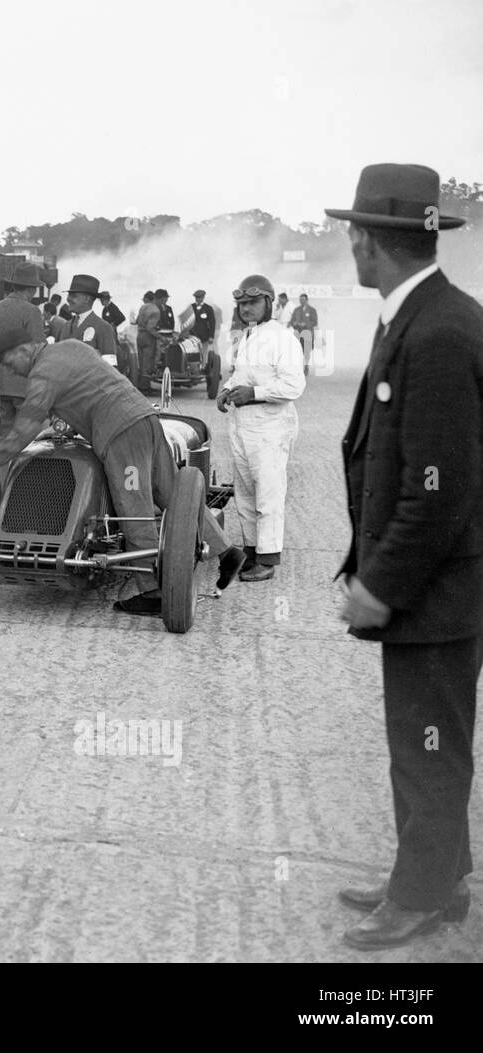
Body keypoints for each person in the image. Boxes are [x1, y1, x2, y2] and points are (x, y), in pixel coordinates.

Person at [324, 163, 483, 950]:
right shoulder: (414, 316)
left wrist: (380, 585)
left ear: (369, 240)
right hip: (433, 587)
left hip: (437, 592)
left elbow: (440, 491)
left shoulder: (442, 330)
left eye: (352, 229)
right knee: (423, 741)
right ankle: (436, 876)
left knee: (427, 749)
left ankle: (421, 894)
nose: (347, 241)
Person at [0, 339, 244, 612]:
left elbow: (24, 429)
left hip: (121, 435)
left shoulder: (43, 376)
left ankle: (153, 591)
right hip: (145, 419)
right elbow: (91, 388)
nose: (10, 370)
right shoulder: (71, 346)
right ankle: (227, 551)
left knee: (133, 508)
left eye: (9, 362)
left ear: (23, 348)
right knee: (172, 493)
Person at [214, 274, 306, 581]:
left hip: (270, 427)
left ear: (269, 301)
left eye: (253, 303)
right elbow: (241, 375)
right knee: (245, 493)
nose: (246, 309)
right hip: (242, 426)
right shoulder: (247, 337)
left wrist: (254, 394)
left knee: (268, 493)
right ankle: (251, 551)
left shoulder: (283, 338)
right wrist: (226, 389)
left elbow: (293, 385)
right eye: (241, 304)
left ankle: (267, 559)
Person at [0, 261, 44, 444]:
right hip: (23, 385)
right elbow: (38, 351)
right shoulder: (32, 311)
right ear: (32, 289)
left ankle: (3, 472)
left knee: (2, 438)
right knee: (28, 440)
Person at [64, 273, 121, 360]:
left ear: (87, 299)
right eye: (69, 295)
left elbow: (109, 367)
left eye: (73, 296)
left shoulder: (104, 328)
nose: (68, 299)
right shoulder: (65, 327)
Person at [134, 290, 161, 393]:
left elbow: (136, 321)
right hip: (148, 337)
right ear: (154, 299)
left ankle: (142, 385)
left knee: (141, 361)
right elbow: (150, 328)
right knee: (148, 362)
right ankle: (145, 387)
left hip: (139, 335)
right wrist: (160, 337)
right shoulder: (155, 310)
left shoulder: (142, 307)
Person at [288, 293, 319, 375]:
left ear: (307, 300)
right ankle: (298, 368)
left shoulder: (312, 310)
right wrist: (294, 323)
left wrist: (305, 324)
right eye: (300, 299)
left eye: (303, 299)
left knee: (307, 351)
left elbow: (315, 322)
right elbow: (292, 320)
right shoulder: (296, 310)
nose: (301, 301)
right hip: (298, 333)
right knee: (298, 351)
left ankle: (306, 367)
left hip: (308, 333)